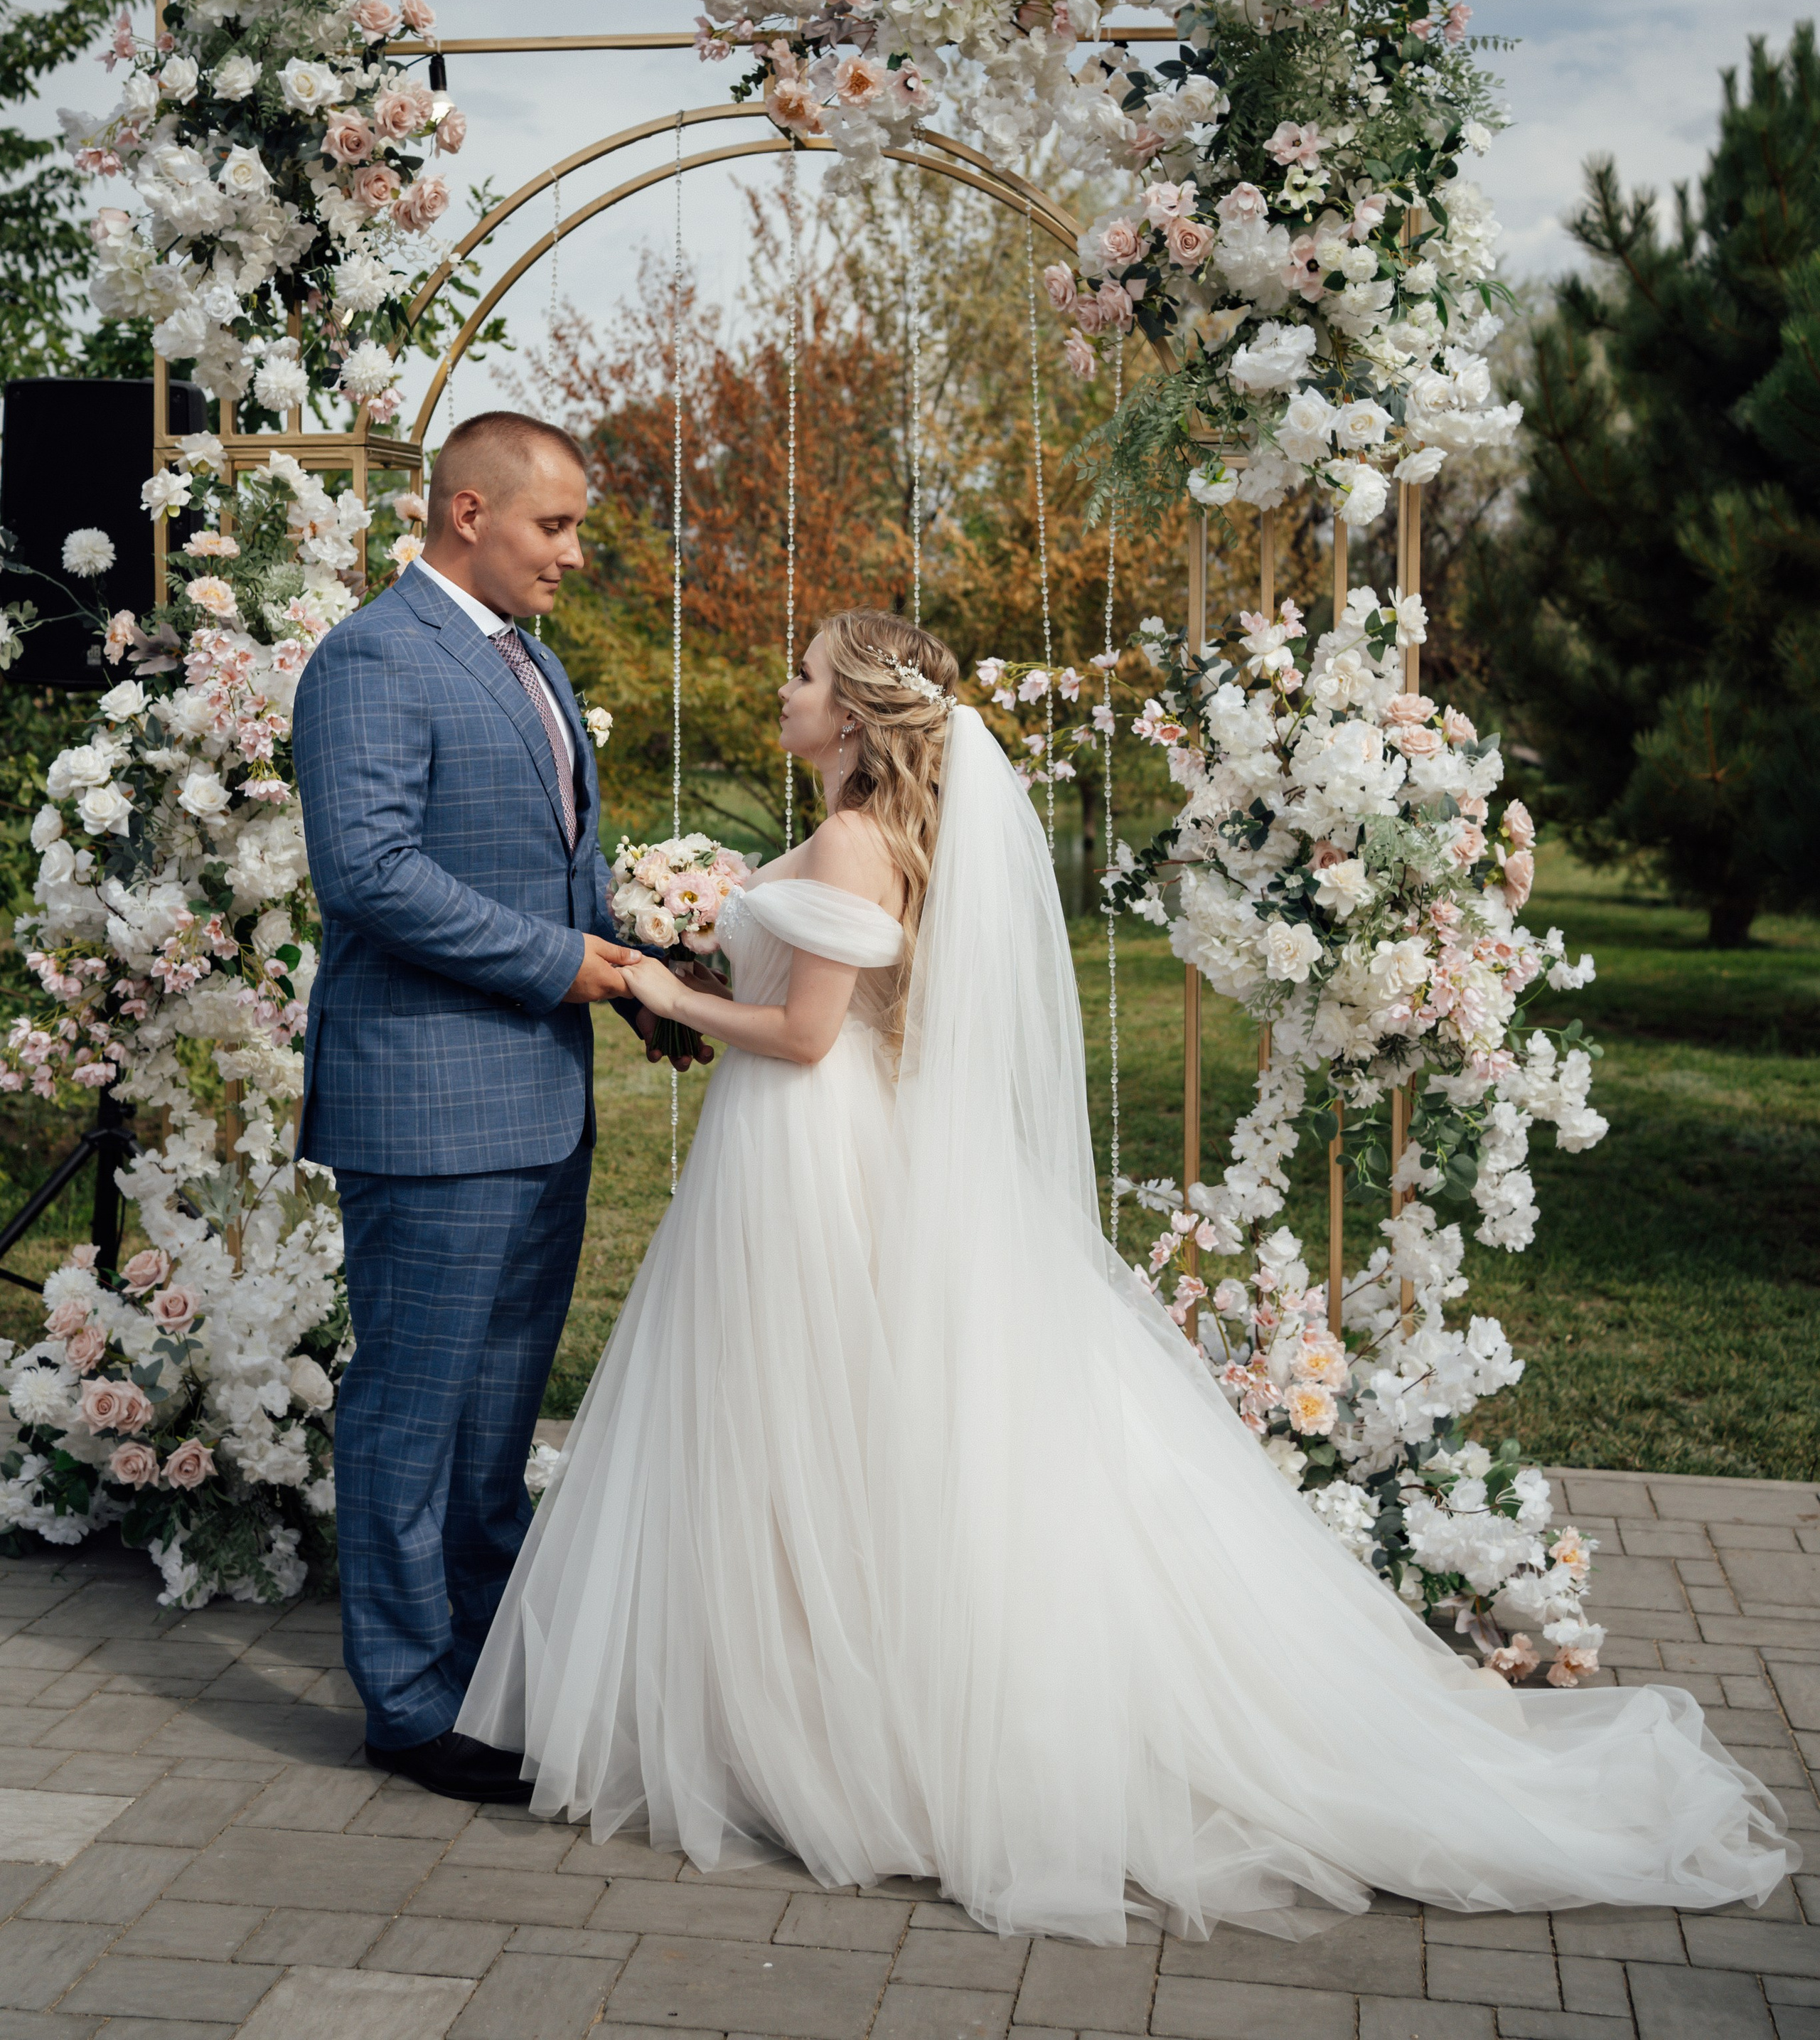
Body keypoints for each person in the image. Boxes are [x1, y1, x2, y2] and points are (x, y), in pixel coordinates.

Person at [459, 604, 1796, 1940]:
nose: (784, 687)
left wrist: (668, 990)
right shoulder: (855, 833)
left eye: (802, 673)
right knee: (809, 1425)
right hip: (805, 1151)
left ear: (854, 718)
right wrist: (698, 935)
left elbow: (807, 1036)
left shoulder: (860, 840)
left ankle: (841, 1722)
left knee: (819, 1417)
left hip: (811, 1144)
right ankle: (790, 1702)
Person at [292, 409, 706, 1807]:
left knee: (492, 1417)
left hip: (539, 1102)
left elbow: (556, 866)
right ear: (467, 512)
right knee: (413, 1410)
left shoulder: (529, 658)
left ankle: (479, 1661)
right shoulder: (371, 659)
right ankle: (407, 1701)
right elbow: (370, 873)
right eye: (556, 525)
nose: (573, 554)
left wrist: (645, 983)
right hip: (426, 1106)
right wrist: (562, 964)